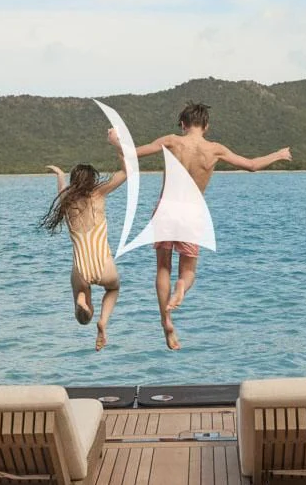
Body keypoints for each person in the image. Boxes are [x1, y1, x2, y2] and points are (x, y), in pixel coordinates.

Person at [114, 102, 291, 350]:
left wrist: (116, 139)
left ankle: (165, 319)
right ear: (206, 126)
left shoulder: (172, 141)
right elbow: (251, 165)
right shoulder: (214, 149)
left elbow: (131, 152)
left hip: (166, 208)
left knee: (163, 267)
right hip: (192, 213)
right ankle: (181, 289)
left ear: (183, 124)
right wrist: (278, 154)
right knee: (188, 271)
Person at [42, 163, 126, 351]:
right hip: (104, 265)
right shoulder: (98, 194)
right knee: (113, 289)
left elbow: (63, 190)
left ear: (74, 182)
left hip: (81, 269)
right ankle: (103, 322)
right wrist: (118, 144)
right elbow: (127, 171)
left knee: (83, 318)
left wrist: (59, 175)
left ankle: (82, 298)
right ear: (92, 180)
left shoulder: (66, 201)